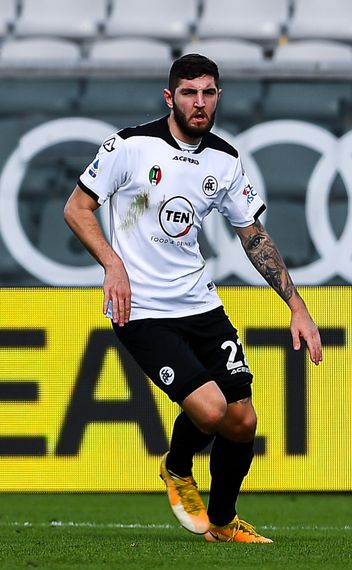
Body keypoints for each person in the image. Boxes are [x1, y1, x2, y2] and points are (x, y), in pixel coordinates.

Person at [64, 54, 323, 543]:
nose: (199, 102)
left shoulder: (225, 159)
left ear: (219, 96)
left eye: (208, 92)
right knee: (210, 410)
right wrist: (112, 264)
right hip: (141, 310)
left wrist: (297, 307)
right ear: (170, 97)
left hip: (200, 304)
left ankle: (222, 524)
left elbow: (254, 236)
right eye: (189, 92)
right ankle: (178, 467)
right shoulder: (130, 146)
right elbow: (77, 209)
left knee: (242, 420)